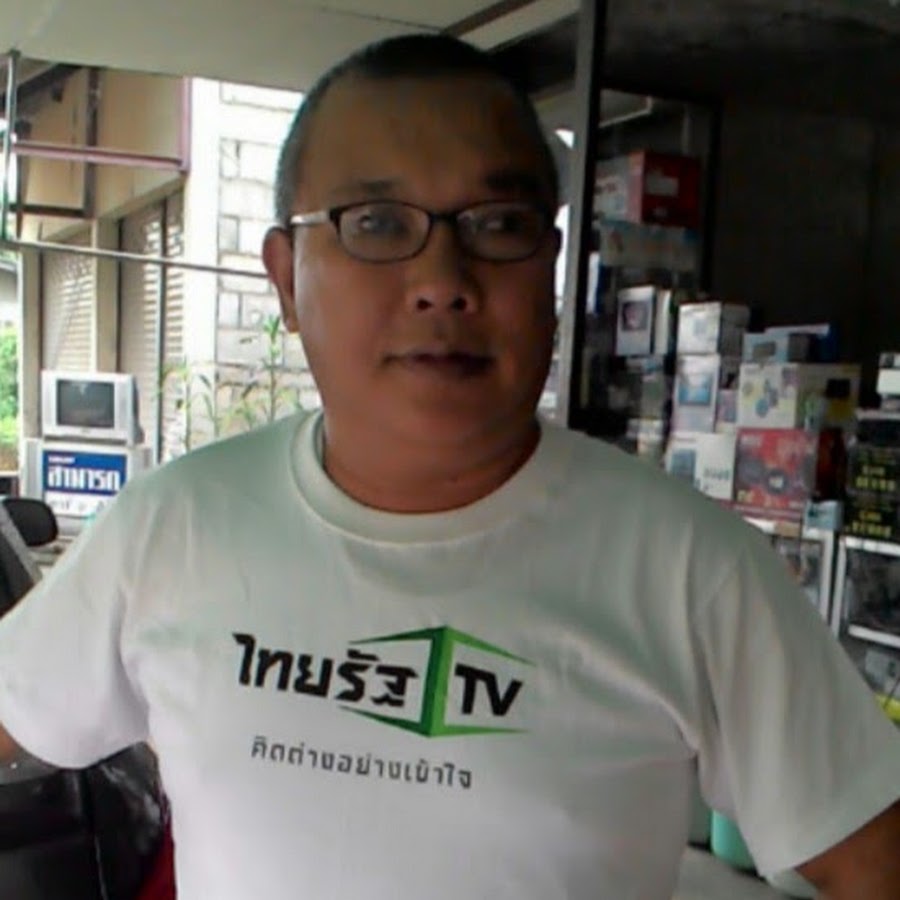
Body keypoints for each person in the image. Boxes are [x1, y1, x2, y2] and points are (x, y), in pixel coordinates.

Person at [1, 33, 899, 899]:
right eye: (376, 223)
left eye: (498, 224)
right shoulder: (176, 526)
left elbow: (876, 860)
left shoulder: (687, 567)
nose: (442, 279)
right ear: (286, 277)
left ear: (551, 269)